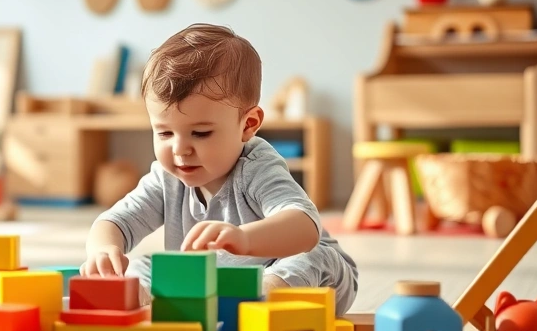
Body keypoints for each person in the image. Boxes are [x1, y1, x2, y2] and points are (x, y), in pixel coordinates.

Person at [80, 23, 358, 315]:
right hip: (215, 283)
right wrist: (102, 250)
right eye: (164, 133)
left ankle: (264, 297)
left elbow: (304, 227)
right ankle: (151, 302)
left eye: (200, 133)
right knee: (144, 264)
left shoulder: (256, 167)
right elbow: (115, 222)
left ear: (248, 125)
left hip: (299, 276)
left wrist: (246, 239)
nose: (180, 149)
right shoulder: (166, 178)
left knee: (314, 256)